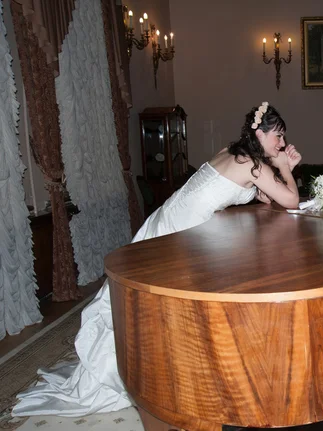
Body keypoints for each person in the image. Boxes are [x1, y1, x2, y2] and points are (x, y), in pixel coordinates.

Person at [13, 101, 301, 417]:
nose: (283, 144)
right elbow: (290, 201)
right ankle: (137, 374)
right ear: (260, 134)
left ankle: (163, 366)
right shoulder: (253, 165)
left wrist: (273, 167)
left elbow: (259, 194)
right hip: (178, 237)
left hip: (168, 221)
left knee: (150, 304)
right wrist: (285, 167)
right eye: (279, 137)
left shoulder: (235, 153)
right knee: (148, 306)